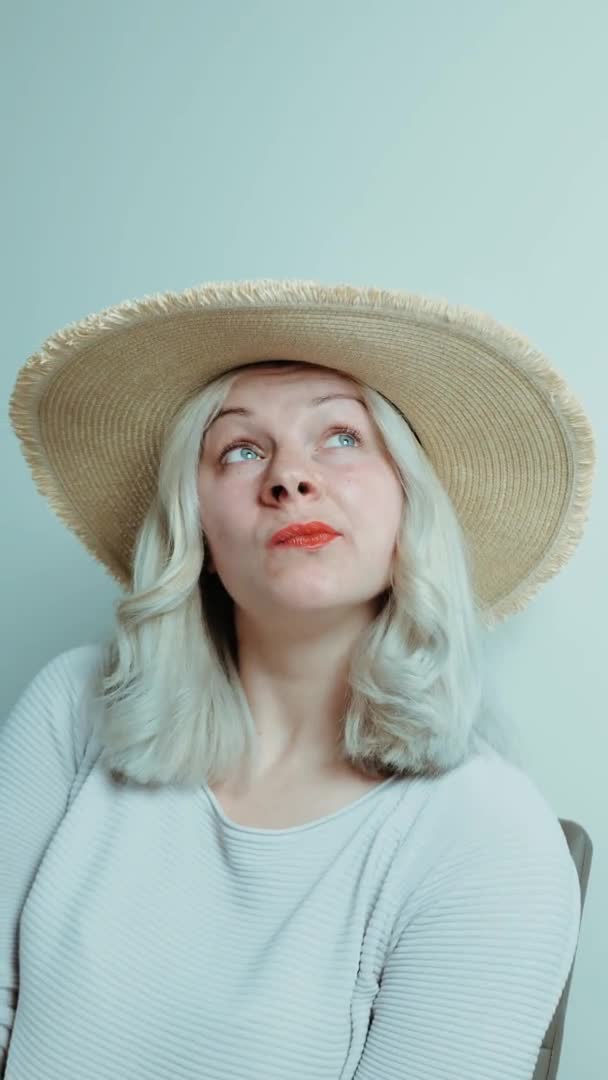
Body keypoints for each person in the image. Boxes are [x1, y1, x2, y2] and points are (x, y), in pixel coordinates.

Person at [2, 278, 596, 1079]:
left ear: (409, 505)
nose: (289, 478)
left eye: (342, 437)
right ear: (198, 528)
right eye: (240, 449)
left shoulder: (490, 837)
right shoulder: (73, 710)